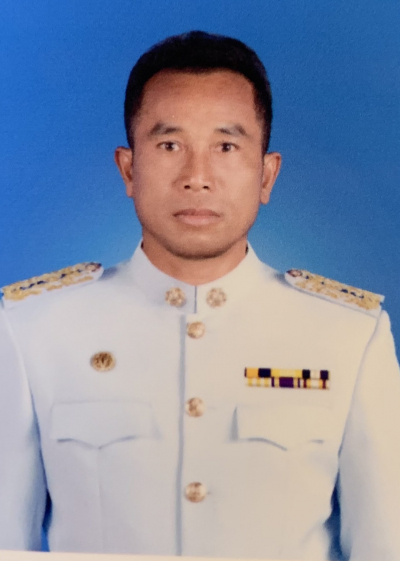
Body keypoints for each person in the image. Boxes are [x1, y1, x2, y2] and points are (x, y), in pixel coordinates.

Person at [0, 30, 399, 561]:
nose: (197, 177)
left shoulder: (349, 337)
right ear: (129, 169)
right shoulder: (33, 330)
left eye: (226, 146)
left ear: (266, 175)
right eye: (170, 145)